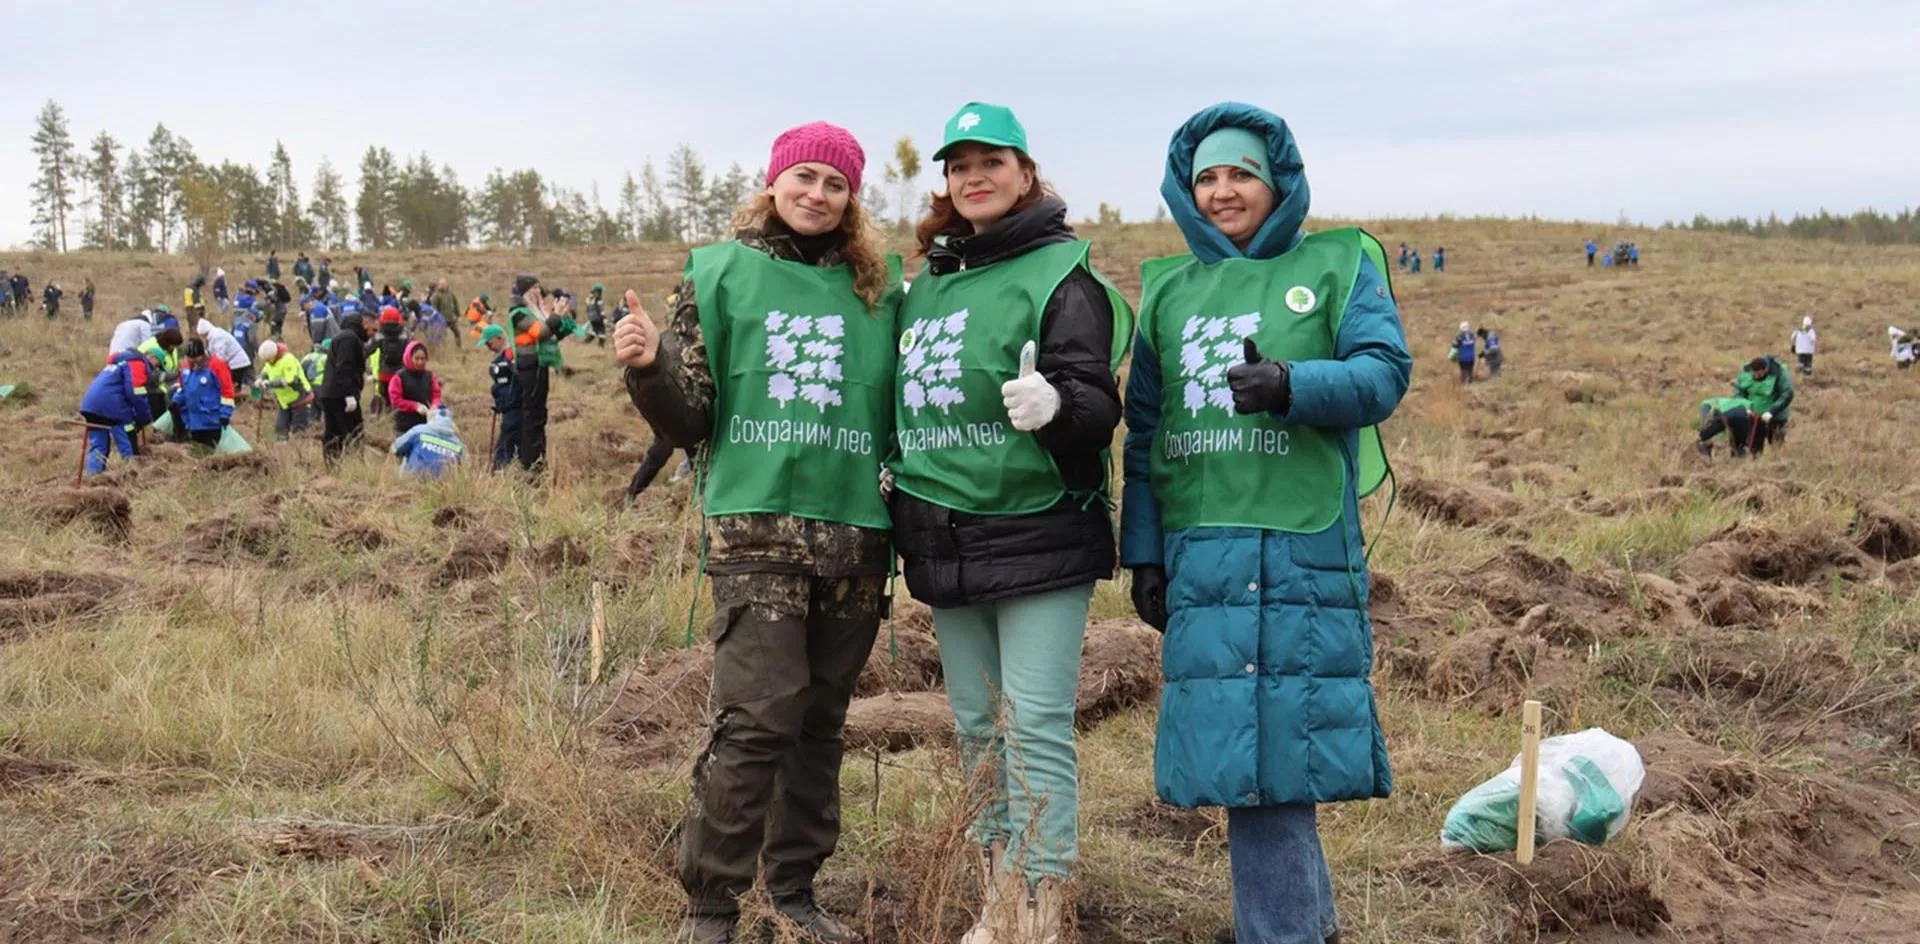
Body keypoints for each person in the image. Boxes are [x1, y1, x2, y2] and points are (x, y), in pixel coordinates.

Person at [1122, 102, 1409, 944]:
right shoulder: (1170, 290)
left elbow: (1384, 373)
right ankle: (1302, 925)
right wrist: (1145, 552)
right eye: (1206, 177)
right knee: (1250, 758)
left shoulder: (1338, 263)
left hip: (1301, 545)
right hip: (1202, 548)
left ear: (1277, 180)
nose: (1222, 192)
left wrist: (1291, 385)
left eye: (1241, 173)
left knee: (1271, 761)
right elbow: (1146, 431)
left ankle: (1277, 931)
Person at [614, 120, 896, 944]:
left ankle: (796, 891)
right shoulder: (718, 275)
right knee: (758, 720)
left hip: (857, 540)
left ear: (851, 200)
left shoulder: (880, 289)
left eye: (835, 184)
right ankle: (710, 905)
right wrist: (648, 368)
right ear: (774, 184)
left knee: (820, 725)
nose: (816, 194)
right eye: (803, 178)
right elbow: (691, 415)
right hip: (756, 539)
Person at [888, 102, 1131, 944]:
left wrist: (1059, 402)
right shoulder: (929, 284)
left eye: (991, 161)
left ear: (1026, 173)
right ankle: (998, 892)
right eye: (959, 167)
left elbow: (1099, 402)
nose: (974, 177)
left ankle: (1039, 908)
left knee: (1032, 726)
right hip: (944, 536)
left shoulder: (1062, 274)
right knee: (975, 728)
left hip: (1039, 534)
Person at [508, 275, 578, 473]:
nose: (540, 292)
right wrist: (555, 314)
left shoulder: (535, 311)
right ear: (526, 291)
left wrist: (563, 317)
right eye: (536, 288)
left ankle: (537, 460)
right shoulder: (519, 313)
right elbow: (542, 332)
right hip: (529, 369)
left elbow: (553, 335)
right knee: (532, 417)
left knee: (539, 416)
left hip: (539, 367)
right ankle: (531, 465)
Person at [79, 350, 159, 476]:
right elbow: (134, 393)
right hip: (112, 407)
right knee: (126, 437)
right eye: (157, 363)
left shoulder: (115, 364)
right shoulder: (138, 363)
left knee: (98, 446)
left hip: (90, 406)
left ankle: (93, 479)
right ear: (152, 358)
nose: (156, 367)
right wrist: (144, 416)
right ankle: (132, 475)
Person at [317, 312, 372, 464]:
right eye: (369, 328)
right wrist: (349, 394)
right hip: (341, 395)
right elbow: (344, 367)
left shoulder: (344, 338)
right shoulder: (349, 339)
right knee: (354, 433)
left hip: (330, 393)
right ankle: (354, 467)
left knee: (333, 433)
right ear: (362, 324)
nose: (371, 333)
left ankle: (332, 466)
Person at [176, 338, 236, 449]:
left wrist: (225, 414)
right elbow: (182, 388)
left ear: (203, 354)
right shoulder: (185, 367)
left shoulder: (217, 365)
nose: (193, 361)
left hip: (212, 420)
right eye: (190, 358)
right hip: (192, 421)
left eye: (196, 358)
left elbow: (227, 392)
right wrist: (176, 401)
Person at [479, 325, 521, 472]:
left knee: (504, 448)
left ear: (499, 338)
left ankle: (498, 475)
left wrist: (507, 402)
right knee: (511, 445)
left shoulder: (510, 355)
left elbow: (518, 381)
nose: (487, 346)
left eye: (488, 343)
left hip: (515, 408)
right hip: (507, 408)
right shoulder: (500, 356)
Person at [256, 340, 314, 442]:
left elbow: (290, 380)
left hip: (300, 399)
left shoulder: (288, 360)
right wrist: (260, 379)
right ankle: (281, 452)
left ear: (274, 354)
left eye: (269, 359)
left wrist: (269, 384)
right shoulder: (270, 362)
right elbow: (265, 371)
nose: (268, 362)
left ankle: (298, 453)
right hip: (284, 402)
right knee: (280, 429)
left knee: (298, 431)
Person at [387, 341, 443, 438]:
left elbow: (436, 394)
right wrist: (415, 406)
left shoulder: (430, 376)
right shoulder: (399, 377)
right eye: (416, 359)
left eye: (423, 359)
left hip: (426, 424)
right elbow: (395, 400)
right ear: (409, 358)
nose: (420, 362)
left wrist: (434, 406)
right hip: (405, 426)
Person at [392, 407, 464, 478]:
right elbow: (465, 467)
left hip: (412, 479)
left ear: (432, 417)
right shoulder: (459, 444)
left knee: (405, 456)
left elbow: (395, 447)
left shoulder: (418, 430)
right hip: (444, 485)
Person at [370, 306, 409, 418]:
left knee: (386, 397)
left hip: (384, 373)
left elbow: (370, 349)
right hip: (401, 372)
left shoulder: (380, 334)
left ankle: (388, 413)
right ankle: (398, 415)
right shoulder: (404, 333)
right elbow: (411, 349)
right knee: (399, 395)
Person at [197, 317, 254, 388]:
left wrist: (211, 366)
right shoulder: (211, 337)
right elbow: (210, 353)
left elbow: (220, 357)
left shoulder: (217, 336)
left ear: (205, 333)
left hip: (237, 364)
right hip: (232, 363)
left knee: (231, 386)